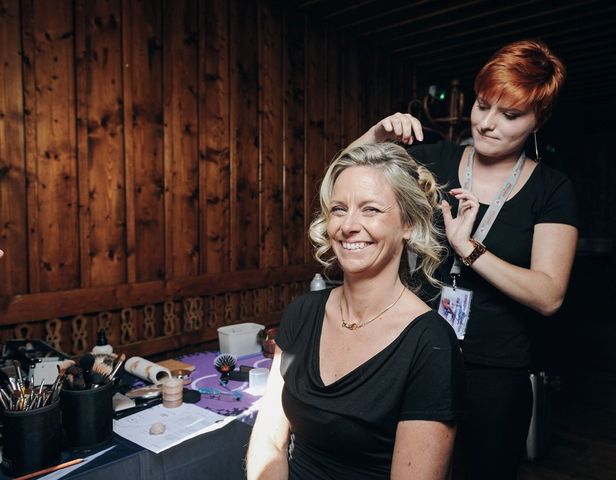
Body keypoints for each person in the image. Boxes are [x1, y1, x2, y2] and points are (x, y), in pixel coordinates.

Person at [347, 40, 579, 479]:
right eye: (482, 105)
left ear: (537, 120)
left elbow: (549, 295)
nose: (487, 124)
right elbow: (342, 179)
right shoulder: (433, 160)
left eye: (509, 115)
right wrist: (374, 137)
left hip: (497, 372)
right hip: (415, 353)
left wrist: (468, 249)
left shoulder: (552, 188)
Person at [246, 143, 465, 480]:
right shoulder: (301, 315)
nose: (347, 226)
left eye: (370, 210)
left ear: (407, 224)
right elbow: (269, 441)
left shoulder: (430, 344)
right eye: (338, 209)